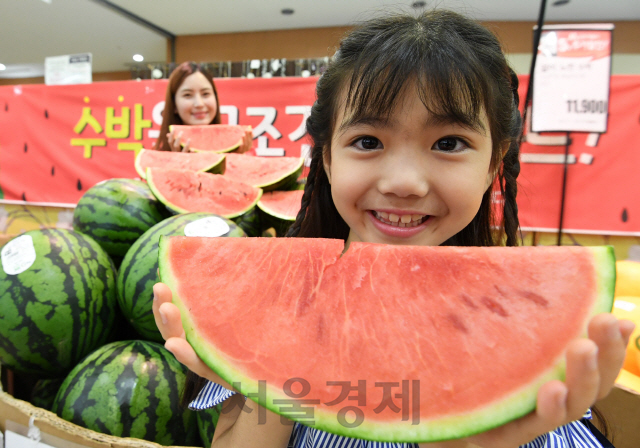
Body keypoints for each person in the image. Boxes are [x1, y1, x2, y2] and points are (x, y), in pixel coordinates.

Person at [151, 10, 632, 448]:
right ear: (327, 158)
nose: (404, 182)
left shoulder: (538, 362)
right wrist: (273, 369)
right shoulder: (263, 307)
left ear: (492, 164)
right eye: (366, 140)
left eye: (448, 142)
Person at [154, 61, 252, 153]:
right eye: (188, 95)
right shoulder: (157, 159)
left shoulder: (241, 149)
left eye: (205, 94)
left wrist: (234, 159)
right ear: (174, 104)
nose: (199, 104)